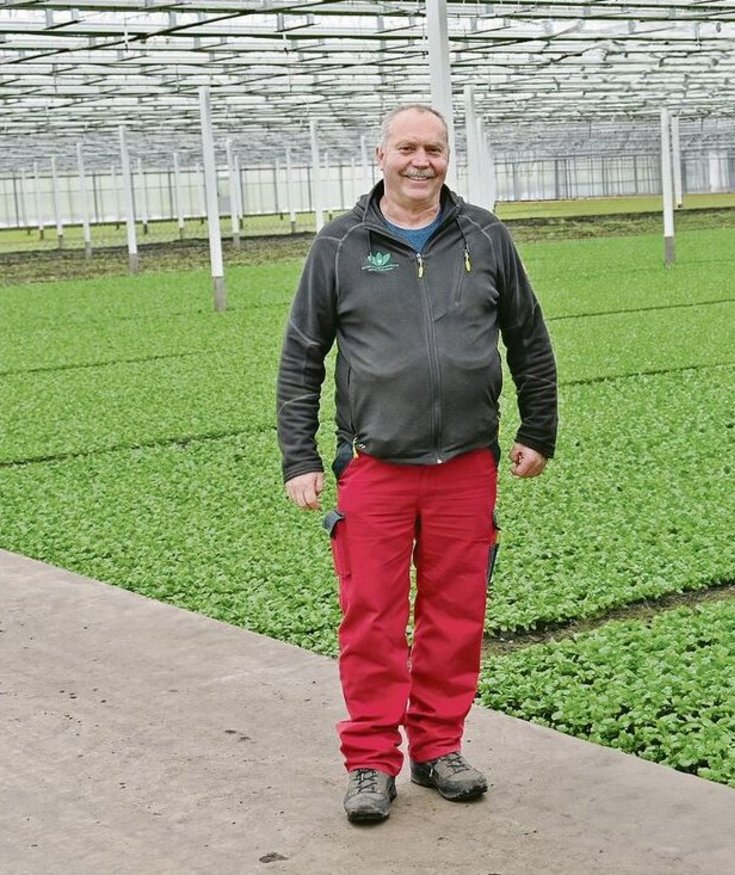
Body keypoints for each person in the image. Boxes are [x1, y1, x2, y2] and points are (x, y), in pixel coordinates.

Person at [276, 104, 558, 825]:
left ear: (447, 158)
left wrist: (539, 428)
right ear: (381, 155)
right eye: (408, 147)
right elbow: (302, 356)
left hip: (467, 462)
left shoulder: (485, 235)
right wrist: (300, 456)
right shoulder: (340, 245)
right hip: (376, 465)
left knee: (455, 614)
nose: (420, 160)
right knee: (371, 615)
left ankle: (438, 748)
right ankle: (371, 762)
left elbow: (528, 337)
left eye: (433, 148)